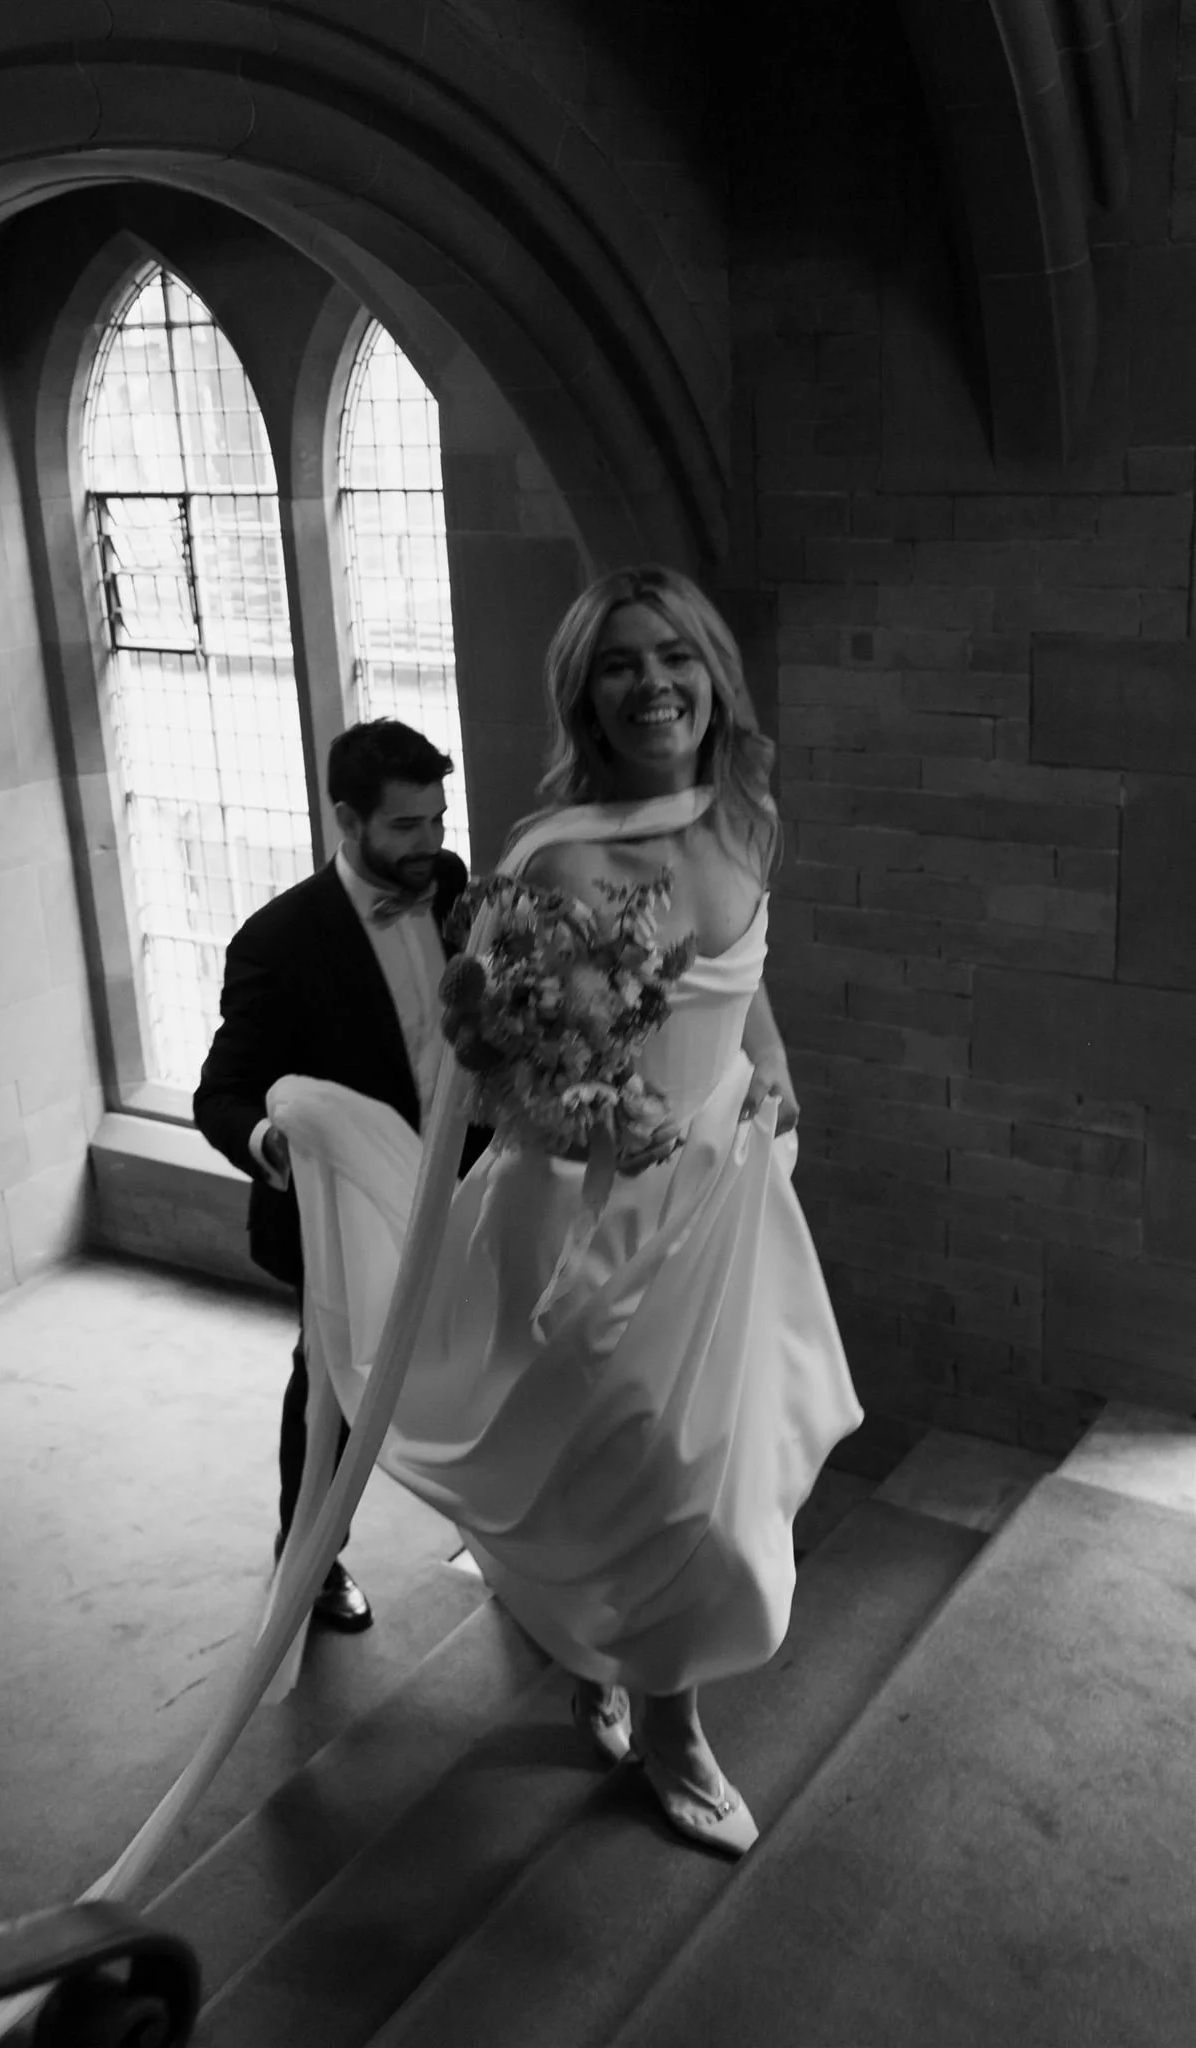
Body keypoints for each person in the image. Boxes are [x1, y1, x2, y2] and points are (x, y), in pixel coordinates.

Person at [267, 567, 863, 1853]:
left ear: (715, 675)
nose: (654, 683)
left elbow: (744, 978)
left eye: (676, 657)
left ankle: (618, 1663)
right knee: (639, 1474)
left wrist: (776, 1059)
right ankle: (673, 1725)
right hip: (589, 1223)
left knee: (700, 1475)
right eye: (620, 664)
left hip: (727, 1198)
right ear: (585, 694)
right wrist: (613, 1119)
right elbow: (509, 1088)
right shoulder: (553, 857)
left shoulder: (746, 816)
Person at [193, 718, 486, 1630]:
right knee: (334, 1392)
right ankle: (313, 1560)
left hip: (463, 1185)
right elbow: (222, 1093)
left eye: (438, 819)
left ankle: (506, 1541)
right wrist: (277, 1147)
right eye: (405, 826)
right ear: (346, 820)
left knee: (487, 1367)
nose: (429, 845)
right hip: (349, 1210)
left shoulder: (446, 885)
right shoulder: (277, 940)